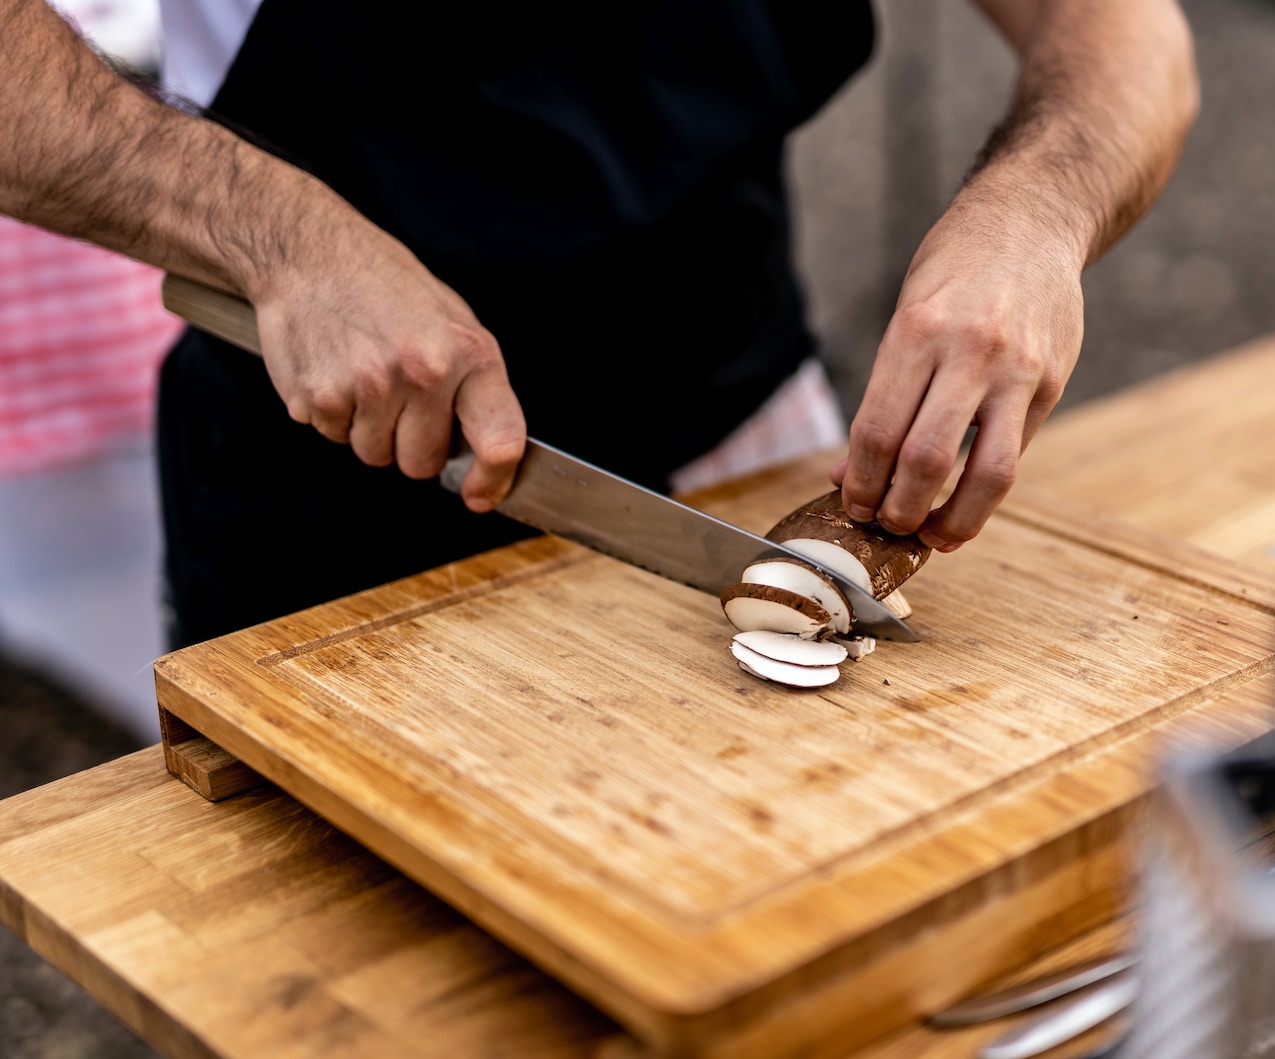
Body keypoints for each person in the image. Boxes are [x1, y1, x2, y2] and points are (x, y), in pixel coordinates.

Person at [0, 0, 1199, 646]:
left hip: (750, 415)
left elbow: (1120, 28)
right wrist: (277, 235)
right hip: (336, 480)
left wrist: (1035, 214)